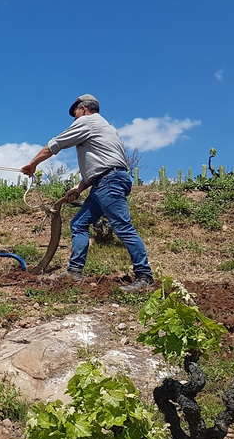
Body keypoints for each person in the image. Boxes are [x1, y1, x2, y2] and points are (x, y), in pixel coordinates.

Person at [21, 94, 154, 292]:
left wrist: (33, 164)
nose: (74, 119)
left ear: (83, 109)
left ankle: (145, 278)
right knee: (79, 223)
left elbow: (56, 144)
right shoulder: (107, 127)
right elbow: (103, 164)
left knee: (123, 227)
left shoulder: (87, 121)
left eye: (75, 113)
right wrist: (79, 188)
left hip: (109, 182)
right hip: (106, 181)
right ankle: (74, 272)